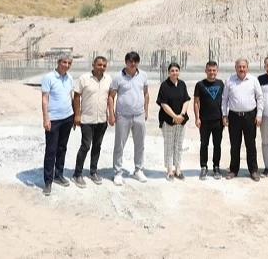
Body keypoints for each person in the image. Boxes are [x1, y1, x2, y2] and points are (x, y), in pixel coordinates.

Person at [71, 56, 113, 188]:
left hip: (102, 119)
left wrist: (111, 114)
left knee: (97, 146)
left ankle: (93, 171)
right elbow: (76, 97)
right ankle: (77, 174)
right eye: (99, 65)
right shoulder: (84, 78)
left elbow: (110, 97)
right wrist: (77, 115)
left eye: (104, 65)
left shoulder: (108, 79)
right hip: (87, 119)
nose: (102, 67)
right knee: (85, 146)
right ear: (93, 65)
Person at [109, 51, 149, 185]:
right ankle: (118, 172)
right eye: (130, 61)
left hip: (139, 115)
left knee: (140, 144)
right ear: (126, 62)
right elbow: (111, 97)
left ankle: (138, 170)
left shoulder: (143, 75)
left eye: (135, 61)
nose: (133, 64)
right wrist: (111, 114)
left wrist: (146, 110)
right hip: (123, 116)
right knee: (119, 145)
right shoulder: (118, 77)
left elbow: (146, 93)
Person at [222, 57, 264, 181]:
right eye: (239, 67)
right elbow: (224, 99)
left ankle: (253, 170)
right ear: (235, 68)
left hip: (250, 116)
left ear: (247, 68)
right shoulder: (229, 80)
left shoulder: (253, 80)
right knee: (235, 144)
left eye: (243, 67)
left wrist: (259, 114)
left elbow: (260, 97)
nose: (241, 69)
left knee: (250, 144)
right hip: (234, 116)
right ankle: (233, 170)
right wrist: (224, 115)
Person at [40, 54, 75, 196]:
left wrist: (74, 116)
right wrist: (45, 118)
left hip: (67, 117)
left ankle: (58, 174)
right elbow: (44, 99)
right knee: (51, 150)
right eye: (64, 62)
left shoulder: (69, 78)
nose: (66, 65)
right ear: (58, 62)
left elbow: (70, 96)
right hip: (54, 119)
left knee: (62, 148)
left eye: (69, 63)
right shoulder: (48, 78)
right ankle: (48, 181)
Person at [157, 62, 190, 181]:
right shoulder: (164, 86)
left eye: (176, 70)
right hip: (168, 120)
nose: (174, 73)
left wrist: (181, 114)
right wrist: (174, 116)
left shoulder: (182, 84)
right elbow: (163, 103)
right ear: (168, 72)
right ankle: (169, 171)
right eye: (172, 71)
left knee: (179, 145)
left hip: (181, 120)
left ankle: (178, 170)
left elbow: (186, 100)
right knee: (169, 145)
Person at [194, 60, 225, 180]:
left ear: (217, 71)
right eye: (209, 70)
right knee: (204, 144)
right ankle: (203, 167)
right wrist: (197, 118)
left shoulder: (221, 84)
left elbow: (225, 100)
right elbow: (196, 102)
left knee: (217, 144)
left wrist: (224, 116)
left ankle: (216, 166)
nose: (212, 72)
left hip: (218, 120)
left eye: (214, 70)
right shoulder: (200, 85)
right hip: (204, 120)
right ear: (206, 71)